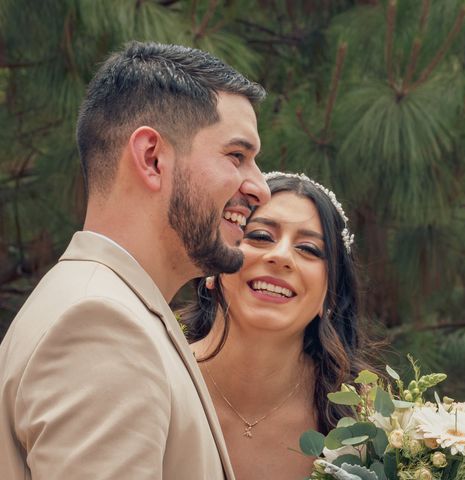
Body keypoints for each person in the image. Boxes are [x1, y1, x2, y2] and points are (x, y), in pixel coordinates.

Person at [0, 41, 270, 480]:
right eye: (237, 156)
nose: (261, 188)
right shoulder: (101, 325)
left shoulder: (105, 305)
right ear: (151, 157)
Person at [181, 172, 377, 480]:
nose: (281, 256)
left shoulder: (370, 427)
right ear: (214, 263)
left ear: (331, 296)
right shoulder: (155, 376)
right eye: (260, 236)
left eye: (310, 249)